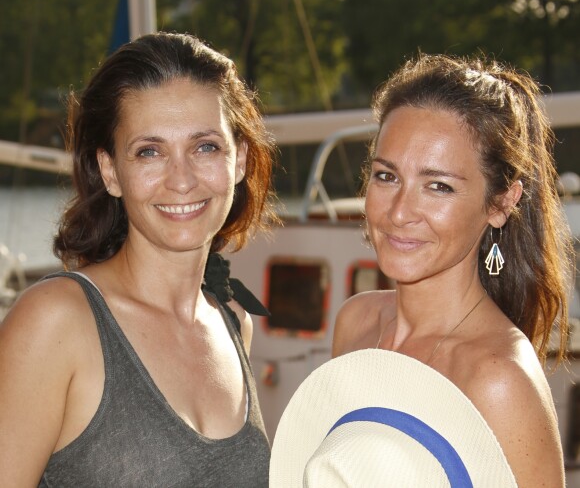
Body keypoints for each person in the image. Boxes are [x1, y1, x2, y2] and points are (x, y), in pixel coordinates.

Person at [270, 53, 574, 487]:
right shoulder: (356, 324)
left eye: (438, 186)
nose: (399, 212)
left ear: (502, 202)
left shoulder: (498, 377)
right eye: (386, 176)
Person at [0, 32, 278, 487]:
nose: (182, 179)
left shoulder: (233, 322)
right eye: (149, 152)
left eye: (205, 146)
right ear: (110, 171)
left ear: (240, 159)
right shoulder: (56, 322)